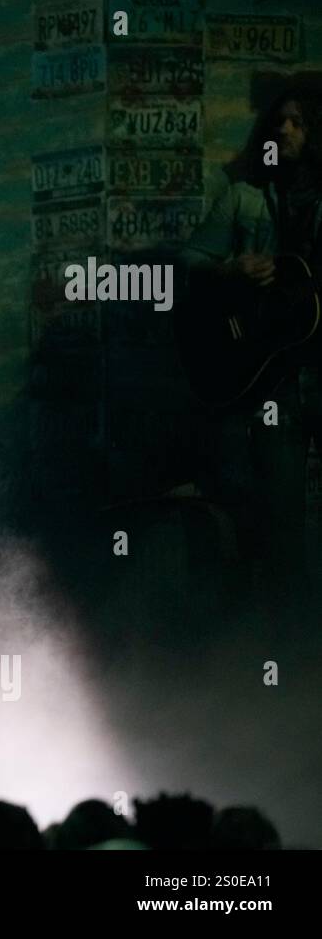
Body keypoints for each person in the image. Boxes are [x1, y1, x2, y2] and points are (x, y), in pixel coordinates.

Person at [180, 84, 322, 622]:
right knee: (281, 515)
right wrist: (227, 269)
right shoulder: (243, 197)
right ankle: (290, 645)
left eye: (300, 122)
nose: (285, 130)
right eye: (278, 121)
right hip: (271, 382)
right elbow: (185, 261)